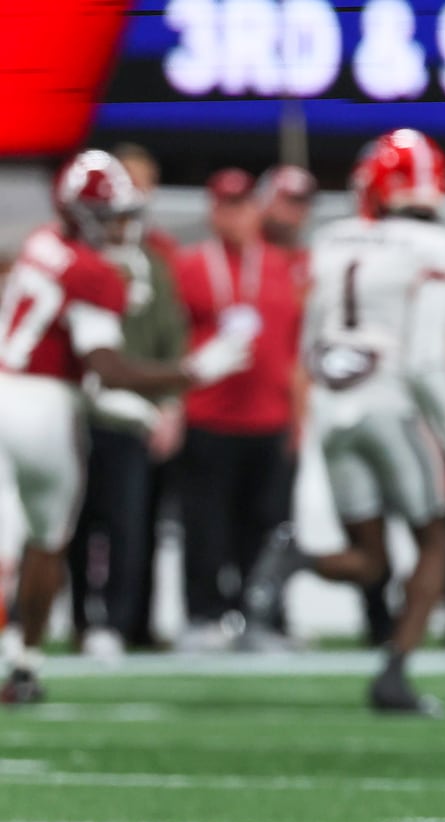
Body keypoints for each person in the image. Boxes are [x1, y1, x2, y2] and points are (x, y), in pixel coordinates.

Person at [246, 129, 445, 714]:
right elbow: (425, 362)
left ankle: (296, 556)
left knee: (371, 560)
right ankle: (395, 674)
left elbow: (310, 344)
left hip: (334, 407)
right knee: (435, 542)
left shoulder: (332, 240)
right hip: (390, 405)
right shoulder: (438, 247)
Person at [0, 150, 249, 701]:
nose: (122, 226)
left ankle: (21, 660)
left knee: (26, 542)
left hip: (8, 388)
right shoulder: (95, 274)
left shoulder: (43, 242)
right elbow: (107, 367)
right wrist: (192, 371)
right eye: (111, 216)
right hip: (44, 410)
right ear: (83, 216)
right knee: (46, 540)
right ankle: (24, 664)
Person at [173, 168, 304, 651]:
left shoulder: (285, 267)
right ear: (212, 211)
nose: (234, 216)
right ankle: (204, 616)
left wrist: (300, 419)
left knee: (267, 527)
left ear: (256, 210)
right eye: (225, 205)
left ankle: (261, 619)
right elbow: (173, 341)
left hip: (269, 419)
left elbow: (297, 349)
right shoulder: (190, 265)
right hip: (207, 416)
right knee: (205, 525)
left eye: (242, 205)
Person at [67, 146, 189, 657]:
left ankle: (122, 622)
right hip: (74, 413)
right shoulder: (74, 257)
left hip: (133, 414)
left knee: (130, 523)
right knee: (71, 524)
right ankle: (79, 620)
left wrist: (171, 403)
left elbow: (171, 337)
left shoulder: (155, 263)